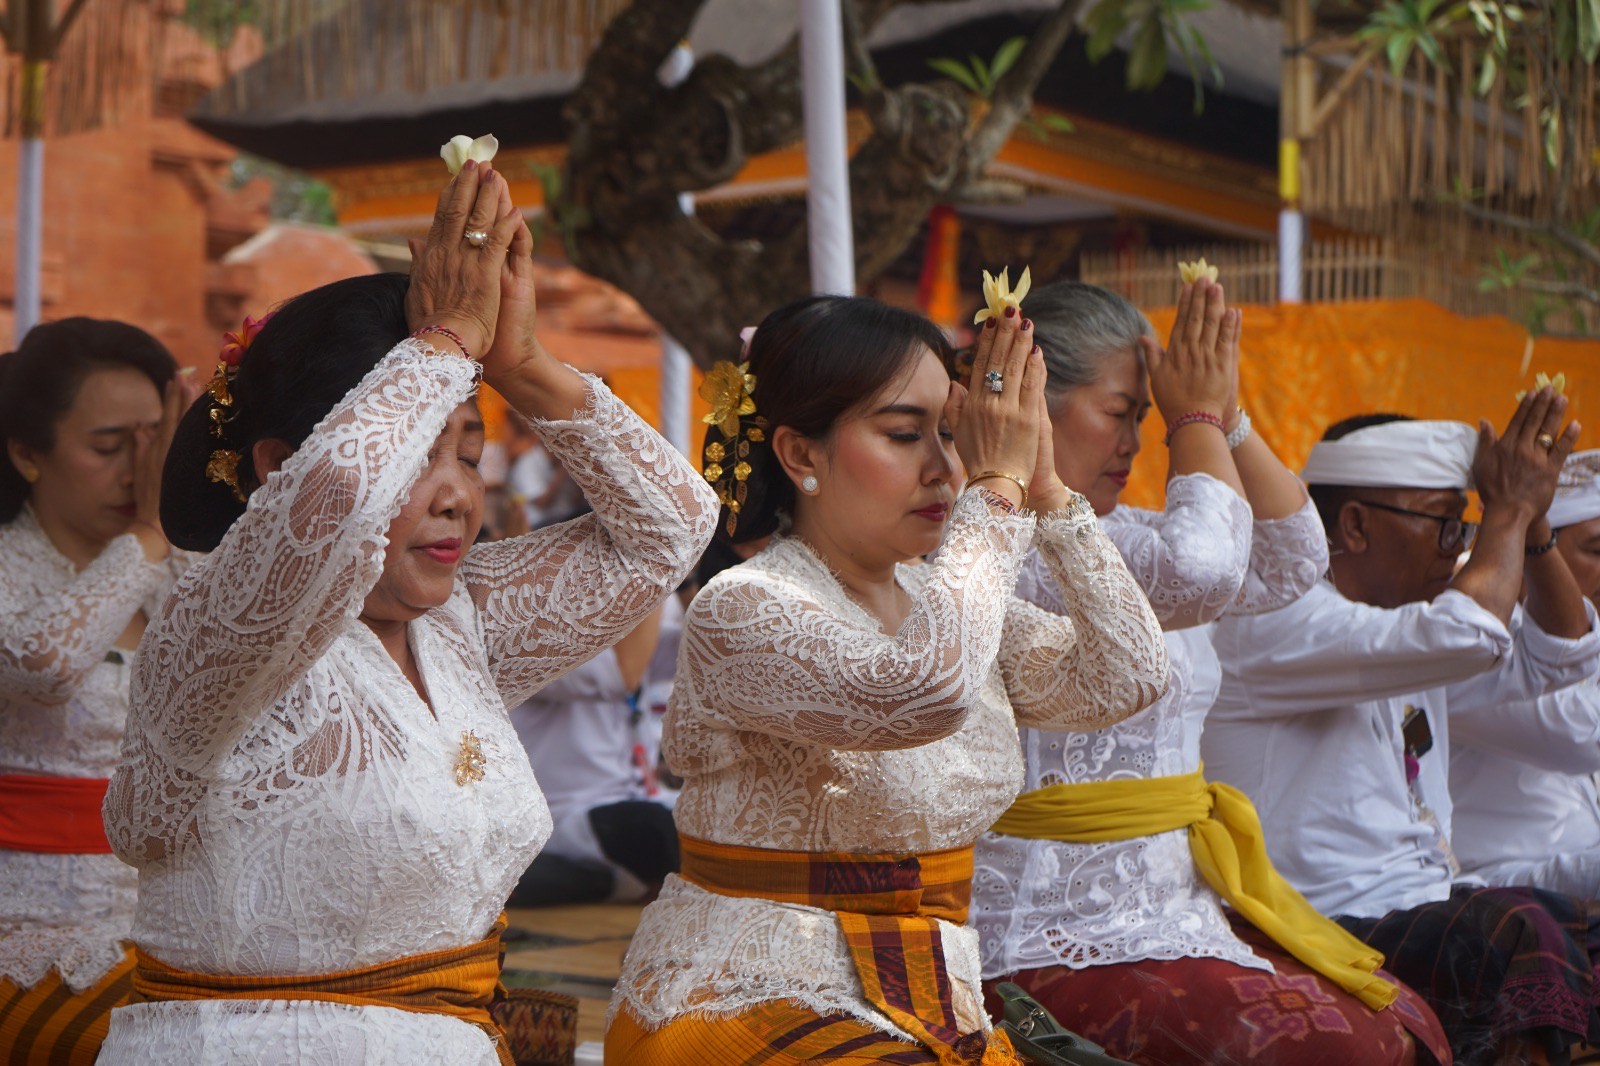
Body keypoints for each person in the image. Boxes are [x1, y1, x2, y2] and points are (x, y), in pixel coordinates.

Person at [98, 161, 718, 1063]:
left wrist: (522, 364)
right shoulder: (214, 626)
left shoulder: (460, 627)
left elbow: (674, 528)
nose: (457, 493)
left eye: (468, 451)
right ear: (277, 470)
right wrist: (446, 340)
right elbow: (342, 489)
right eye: (419, 454)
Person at [606, 294, 1170, 1064]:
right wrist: (995, 491)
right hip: (743, 994)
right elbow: (928, 693)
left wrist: (1044, 487)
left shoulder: (941, 601)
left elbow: (1128, 676)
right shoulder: (744, 606)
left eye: (951, 434)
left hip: (926, 999)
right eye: (905, 435)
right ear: (801, 456)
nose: (943, 468)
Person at [973, 280, 1450, 1064]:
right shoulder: (1008, 542)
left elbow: (1294, 555)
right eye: (1122, 412)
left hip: (1173, 907)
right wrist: (1193, 421)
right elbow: (1202, 569)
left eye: (1148, 417)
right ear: (1032, 401)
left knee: (1405, 1025)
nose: (1136, 442)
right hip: (1050, 930)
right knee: (1340, 1049)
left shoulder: (1125, 534)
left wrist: (1225, 415)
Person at [1204, 403, 1600, 1064]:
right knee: (1521, 930)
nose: (1457, 546)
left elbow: (1560, 657)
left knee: (1570, 927)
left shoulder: (1414, 628)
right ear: (1356, 525)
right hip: (1314, 923)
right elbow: (1469, 635)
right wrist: (1507, 510)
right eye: (1445, 524)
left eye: (1463, 524)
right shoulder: (1278, 618)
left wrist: (1530, 522)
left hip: (1423, 907)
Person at [0, 319, 191, 1064]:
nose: (139, 469)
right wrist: (147, 532)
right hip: (25, 936)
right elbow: (44, 665)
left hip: (176, 928)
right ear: (27, 453)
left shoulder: (178, 566)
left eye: (154, 443)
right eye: (110, 448)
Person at [1450, 449, 1600, 898]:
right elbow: (1584, 734)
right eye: (1596, 549)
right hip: (1494, 895)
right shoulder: (1470, 638)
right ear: (1535, 549)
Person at [508, 601, 682, 906]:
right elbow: (624, 673)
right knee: (651, 827)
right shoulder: (534, 642)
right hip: (568, 816)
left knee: (713, 809)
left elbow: (705, 651)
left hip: (640, 796)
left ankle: (624, 882)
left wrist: (698, 586)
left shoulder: (632, 637)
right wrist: (655, 588)